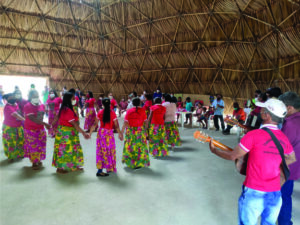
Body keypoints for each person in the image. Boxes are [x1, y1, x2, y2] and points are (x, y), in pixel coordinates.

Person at [209, 98, 296, 225]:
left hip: (254, 191)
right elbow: (291, 158)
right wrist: (272, 163)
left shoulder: (253, 135)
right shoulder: (284, 138)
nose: (260, 111)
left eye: (262, 109)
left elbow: (233, 156)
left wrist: (214, 150)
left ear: (266, 115)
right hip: (275, 193)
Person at [52, 92, 89, 174]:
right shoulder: (67, 110)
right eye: (73, 98)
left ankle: (74, 165)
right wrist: (83, 132)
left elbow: (56, 117)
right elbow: (74, 124)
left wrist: (52, 126)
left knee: (72, 149)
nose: (74, 100)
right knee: (65, 150)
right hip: (66, 134)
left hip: (68, 132)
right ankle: (60, 168)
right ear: (68, 99)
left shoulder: (66, 108)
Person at [278, 92, 300, 225]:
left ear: (289, 108)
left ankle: (285, 222)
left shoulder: (290, 124)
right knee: (286, 195)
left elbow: (281, 146)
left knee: (283, 196)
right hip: (295, 166)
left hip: (287, 167)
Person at [89, 98, 123, 176]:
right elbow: (116, 125)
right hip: (109, 134)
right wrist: (120, 133)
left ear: (102, 104)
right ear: (110, 104)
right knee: (110, 151)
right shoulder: (113, 113)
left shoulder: (100, 112)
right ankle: (109, 167)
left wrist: (90, 133)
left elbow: (95, 124)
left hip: (101, 133)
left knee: (101, 151)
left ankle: (100, 170)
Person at [24, 90, 50, 170]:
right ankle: (34, 162)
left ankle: (38, 159)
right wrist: (45, 124)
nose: (36, 98)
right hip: (31, 130)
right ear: (30, 97)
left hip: (40, 129)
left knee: (41, 145)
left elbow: (43, 114)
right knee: (33, 146)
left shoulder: (41, 105)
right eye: (34, 96)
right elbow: (32, 119)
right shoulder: (27, 106)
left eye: (37, 96)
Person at [121, 97, 150, 169]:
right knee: (140, 147)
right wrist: (146, 131)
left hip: (131, 131)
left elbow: (125, 123)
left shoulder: (129, 111)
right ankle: (139, 162)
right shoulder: (143, 111)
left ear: (132, 103)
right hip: (140, 131)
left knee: (130, 146)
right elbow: (146, 122)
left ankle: (131, 162)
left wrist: (121, 132)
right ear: (140, 103)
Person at [2, 93, 25, 160]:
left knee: (20, 140)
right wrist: (26, 120)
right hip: (9, 127)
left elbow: (19, 113)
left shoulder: (16, 104)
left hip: (18, 126)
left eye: (13, 96)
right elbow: (16, 115)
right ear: (7, 99)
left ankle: (20, 154)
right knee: (11, 142)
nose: (12, 98)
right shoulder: (7, 107)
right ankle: (11, 157)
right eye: (10, 97)